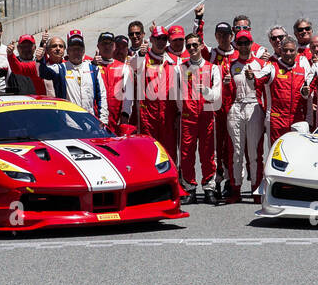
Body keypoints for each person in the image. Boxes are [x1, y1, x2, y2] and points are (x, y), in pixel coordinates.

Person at [224, 27, 270, 203]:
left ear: (251, 44)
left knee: (254, 151)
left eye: (246, 43)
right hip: (236, 107)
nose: (243, 46)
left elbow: (266, 87)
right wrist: (227, 84)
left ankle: (256, 190)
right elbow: (226, 91)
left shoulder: (261, 64)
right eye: (240, 43)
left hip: (254, 107)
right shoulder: (231, 64)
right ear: (236, 45)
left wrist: (254, 78)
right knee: (236, 151)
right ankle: (235, 189)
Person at [176, 32, 222, 202]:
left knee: (208, 152)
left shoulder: (213, 68)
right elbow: (176, 94)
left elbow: (217, 94)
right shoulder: (180, 68)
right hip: (188, 117)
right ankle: (190, 189)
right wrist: (184, 110)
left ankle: (209, 188)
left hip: (207, 115)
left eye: (195, 45)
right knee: (187, 154)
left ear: (202, 46)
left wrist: (207, 92)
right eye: (189, 46)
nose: (192, 48)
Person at [123, 25, 179, 163]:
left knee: (169, 151)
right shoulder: (143, 58)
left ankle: (172, 180)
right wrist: (141, 54)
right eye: (157, 38)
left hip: (168, 114)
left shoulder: (174, 60)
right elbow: (133, 66)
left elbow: (180, 89)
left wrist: (179, 112)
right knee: (150, 151)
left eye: (163, 38)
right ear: (151, 40)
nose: (160, 41)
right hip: (148, 115)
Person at [259, 36, 313, 158]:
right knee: (275, 155)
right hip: (276, 120)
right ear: (280, 51)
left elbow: (309, 96)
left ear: (296, 51)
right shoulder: (271, 67)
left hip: (297, 120)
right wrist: (251, 77)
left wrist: (309, 120)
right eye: (285, 50)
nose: (288, 53)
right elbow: (256, 81)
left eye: (291, 50)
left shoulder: (303, 68)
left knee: (297, 155)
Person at [209, 22, 240, 196]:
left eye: (226, 34)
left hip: (234, 108)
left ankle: (231, 180)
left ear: (231, 36)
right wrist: (199, 20)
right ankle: (216, 181)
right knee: (215, 148)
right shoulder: (212, 54)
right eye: (219, 34)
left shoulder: (237, 54)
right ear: (215, 36)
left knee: (232, 146)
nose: (223, 37)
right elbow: (191, 46)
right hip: (215, 109)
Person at [55, 32, 108, 124]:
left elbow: (102, 96)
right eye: (73, 49)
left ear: (83, 50)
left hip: (90, 121)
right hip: (69, 122)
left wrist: (103, 120)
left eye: (79, 49)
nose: (76, 52)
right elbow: (42, 71)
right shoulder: (60, 68)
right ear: (68, 50)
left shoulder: (92, 67)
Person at [94, 32, 129, 132]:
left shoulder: (124, 68)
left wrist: (125, 116)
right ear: (98, 46)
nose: (107, 47)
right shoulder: (90, 66)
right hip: (95, 118)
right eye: (103, 44)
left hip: (116, 120)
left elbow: (128, 96)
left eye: (109, 44)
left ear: (114, 46)